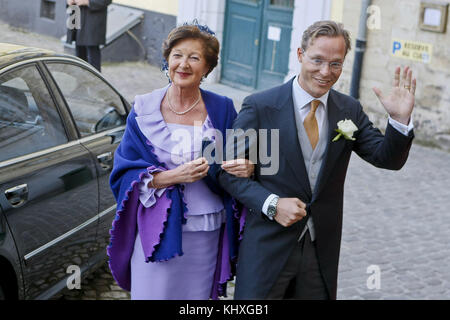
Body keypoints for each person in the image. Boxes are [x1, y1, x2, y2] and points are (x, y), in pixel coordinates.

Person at [218, 20, 416, 300]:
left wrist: (398, 121)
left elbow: (387, 159)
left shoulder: (349, 109)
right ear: (300, 55)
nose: (326, 72)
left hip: (320, 249)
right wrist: (272, 204)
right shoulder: (260, 106)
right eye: (317, 60)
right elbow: (226, 172)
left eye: (335, 64)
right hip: (268, 248)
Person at [107, 23, 252, 300]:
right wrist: (175, 176)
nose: (183, 64)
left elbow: (241, 156)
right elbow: (123, 174)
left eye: (194, 58)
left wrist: (248, 166)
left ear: (207, 68)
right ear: (167, 59)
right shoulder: (143, 108)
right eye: (177, 55)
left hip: (206, 230)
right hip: (157, 230)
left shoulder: (222, 108)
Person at [66, 0, 111, 72]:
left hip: (92, 21)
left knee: (93, 59)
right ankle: (81, 79)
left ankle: (94, 81)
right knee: (79, 59)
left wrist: (87, 2)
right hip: (77, 19)